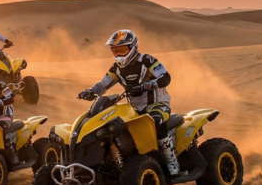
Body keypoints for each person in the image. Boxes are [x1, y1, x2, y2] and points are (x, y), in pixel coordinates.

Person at [77, 29, 183, 176]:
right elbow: (102, 85)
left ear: (133, 47)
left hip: (157, 104)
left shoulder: (147, 60)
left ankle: (172, 164)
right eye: (115, 51)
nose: (118, 54)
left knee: (156, 120)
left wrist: (151, 84)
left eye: (122, 50)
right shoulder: (116, 69)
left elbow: (165, 77)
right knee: (116, 127)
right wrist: (90, 92)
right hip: (134, 109)